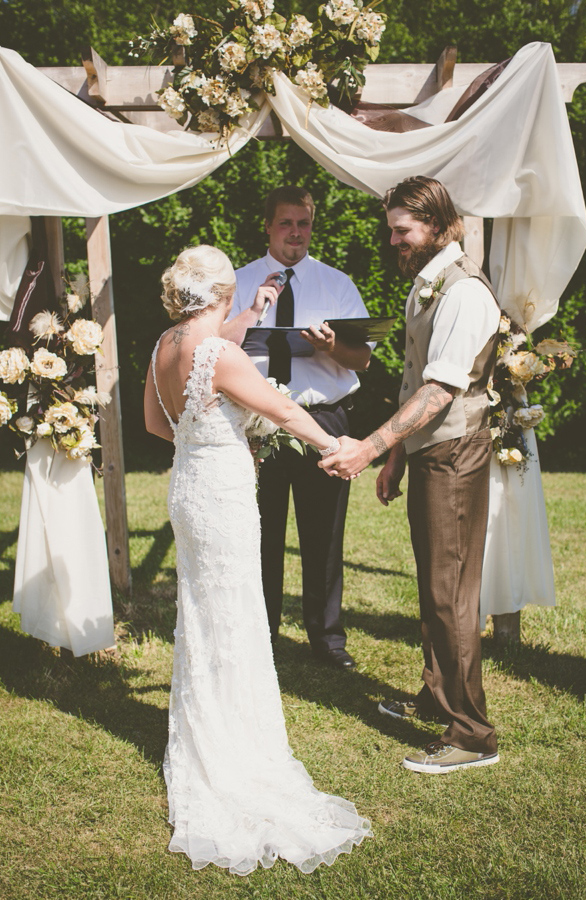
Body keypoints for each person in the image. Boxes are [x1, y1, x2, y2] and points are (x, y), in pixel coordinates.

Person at [144, 245, 371, 874]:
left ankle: (201, 731)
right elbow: (286, 408)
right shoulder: (220, 353)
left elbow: (156, 426)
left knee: (204, 611)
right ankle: (237, 749)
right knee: (235, 611)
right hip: (220, 493)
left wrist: (209, 430)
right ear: (219, 297)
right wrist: (340, 443)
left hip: (187, 487)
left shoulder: (165, 345)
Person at [320, 176, 501, 774]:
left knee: (451, 593)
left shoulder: (464, 293)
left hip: (455, 453)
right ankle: (436, 695)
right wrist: (398, 458)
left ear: (438, 226)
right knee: (434, 584)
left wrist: (372, 446)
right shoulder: (426, 284)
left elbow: (441, 389)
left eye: (403, 230)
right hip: (427, 452)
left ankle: (472, 734)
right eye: (392, 228)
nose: (393, 240)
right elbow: (412, 379)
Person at [223, 186, 372, 669]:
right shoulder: (238, 282)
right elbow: (213, 348)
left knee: (325, 533)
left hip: (322, 419)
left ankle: (327, 639)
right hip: (253, 423)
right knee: (259, 531)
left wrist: (332, 347)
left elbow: (363, 359)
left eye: (303, 223)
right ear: (267, 226)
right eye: (286, 223)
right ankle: (260, 635)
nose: (295, 232)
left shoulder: (337, 284)